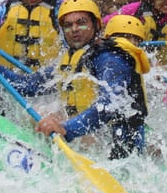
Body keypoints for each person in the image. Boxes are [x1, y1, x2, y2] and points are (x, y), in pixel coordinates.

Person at [32, 11, 152, 160]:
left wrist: (66, 128)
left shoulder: (112, 59)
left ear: (96, 26)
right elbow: (30, 86)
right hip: (94, 135)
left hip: (121, 145)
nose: (75, 29)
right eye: (68, 25)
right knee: (41, 113)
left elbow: (109, 105)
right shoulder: (77, 57)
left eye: (81, 23)